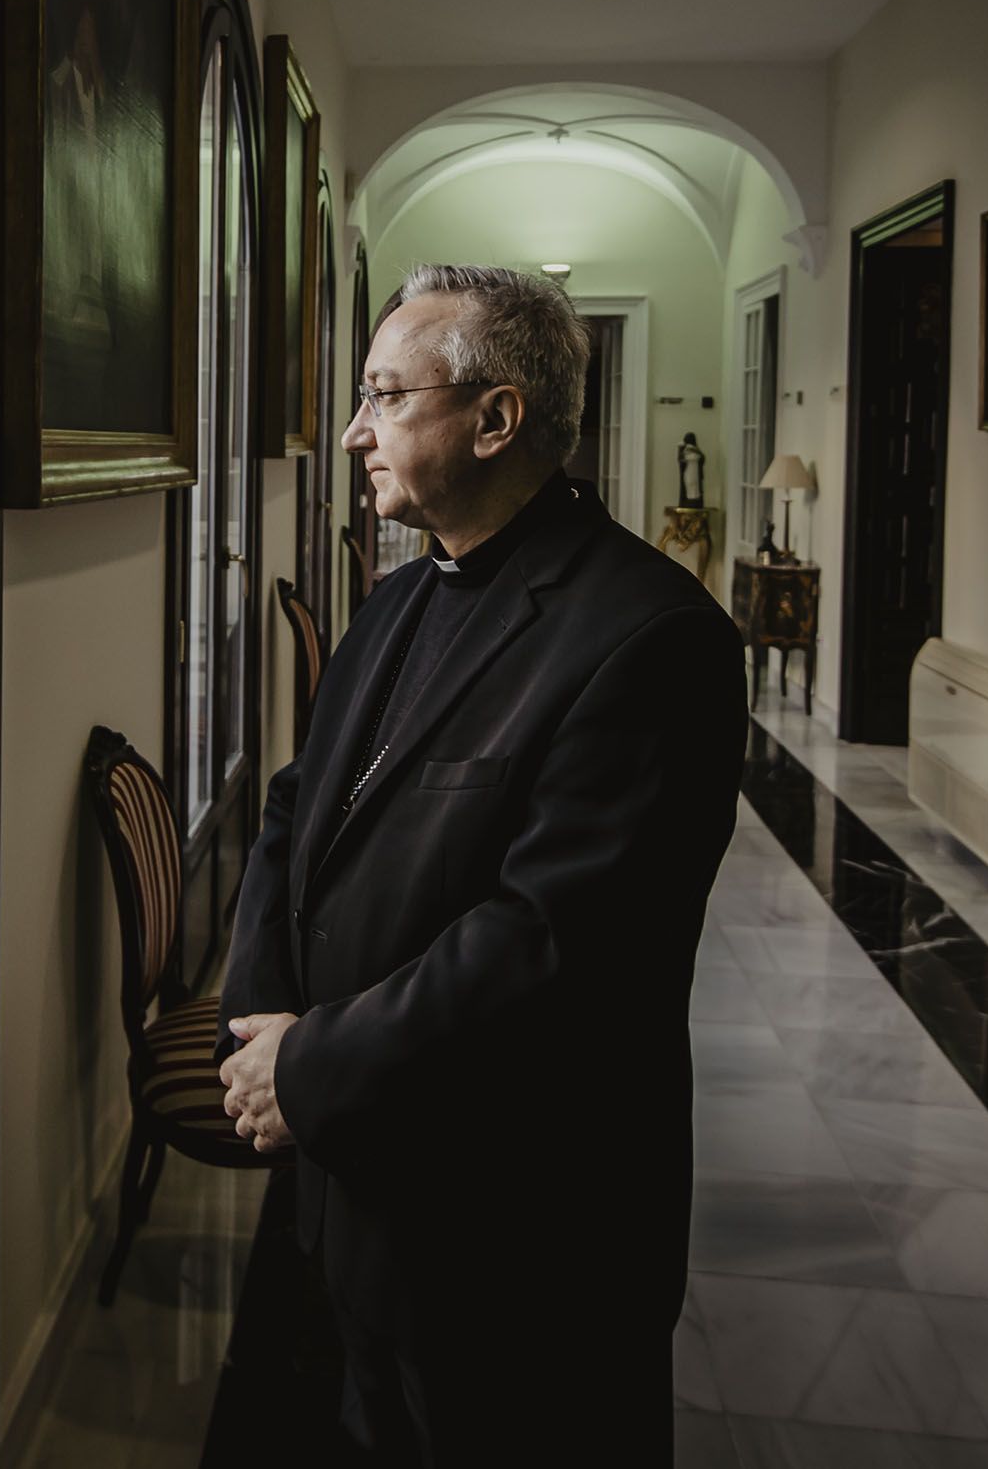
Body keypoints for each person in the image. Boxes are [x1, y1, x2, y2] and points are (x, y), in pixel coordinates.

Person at [217, 263, 747, 1463]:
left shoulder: (652, 638)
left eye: (383, 397)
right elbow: (297, 811)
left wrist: (313, 1060)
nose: (354, 432)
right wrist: (262, 1023)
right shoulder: (395, 600)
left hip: (518, 1227)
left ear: (495, 419)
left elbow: (548, 945)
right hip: (358, 1173)